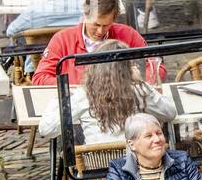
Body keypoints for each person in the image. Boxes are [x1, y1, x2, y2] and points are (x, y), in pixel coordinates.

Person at [37, 39, 177, 143]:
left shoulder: (84, 95)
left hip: (98, 175)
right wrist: (142, 83)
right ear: (127, 69)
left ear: (95, 67)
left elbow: (47, 130)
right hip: (138, 170)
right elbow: (169, 113)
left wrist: (58, 100)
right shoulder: (138, 91)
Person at [31, 0, 148, 86]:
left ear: (114, 19)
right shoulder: (62, 40)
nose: (100, 31)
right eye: (96, 24)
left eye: (106, 25)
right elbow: (39, 78)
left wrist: (133, 81)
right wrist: (76, 85)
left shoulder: (128, 35)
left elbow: (156, 68)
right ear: (85, 15)